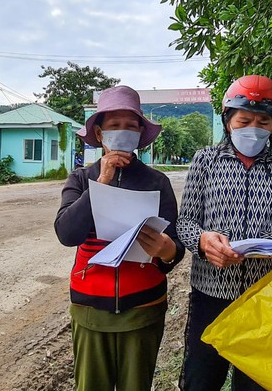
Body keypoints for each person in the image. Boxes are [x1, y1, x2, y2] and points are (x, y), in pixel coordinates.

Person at [177, 75, 272, 391]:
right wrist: (204, 241)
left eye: (263, 122)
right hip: (211, 296)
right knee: (200, 382)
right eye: (244, 120)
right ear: (228, 121)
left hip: (268, 301)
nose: (253, 129)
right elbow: (186, 223)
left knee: (257, 385)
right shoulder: (205, 161)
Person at [54, 85, 185, 391]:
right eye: (114, 126)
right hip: (90, 309)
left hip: (143, 308)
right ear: (99, 134)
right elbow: (66, 233)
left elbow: (175, 247)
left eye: (131, 126)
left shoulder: (157, 182)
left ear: (140, 133)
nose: (123, 132)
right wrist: (102, 183)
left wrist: (167, 251)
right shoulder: (81, 179)